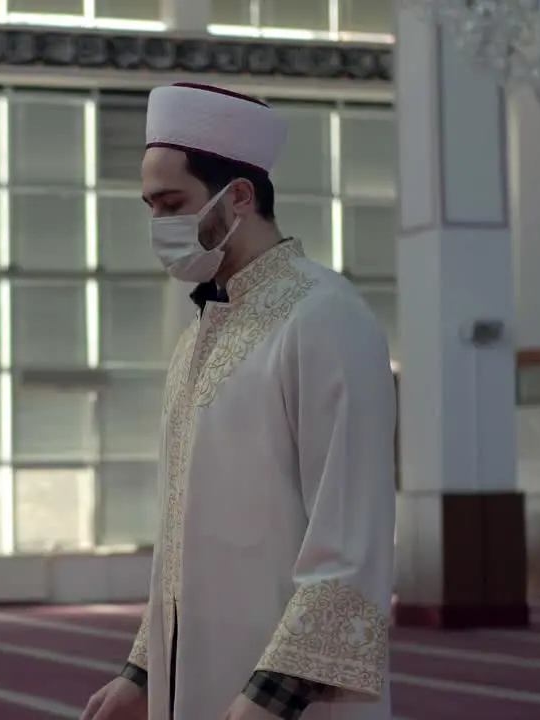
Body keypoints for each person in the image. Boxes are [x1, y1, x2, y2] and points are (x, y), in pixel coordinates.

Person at [80, 82, 396, 720]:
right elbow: (182, 540)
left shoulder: (326, 317)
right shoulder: (198, 336)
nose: (159, 225)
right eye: (150, 206)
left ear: (240, 197)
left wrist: (270, 699)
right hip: (193, 684)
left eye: (173, 203)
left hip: (288, 700)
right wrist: (141, 674)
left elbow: (350, 535)